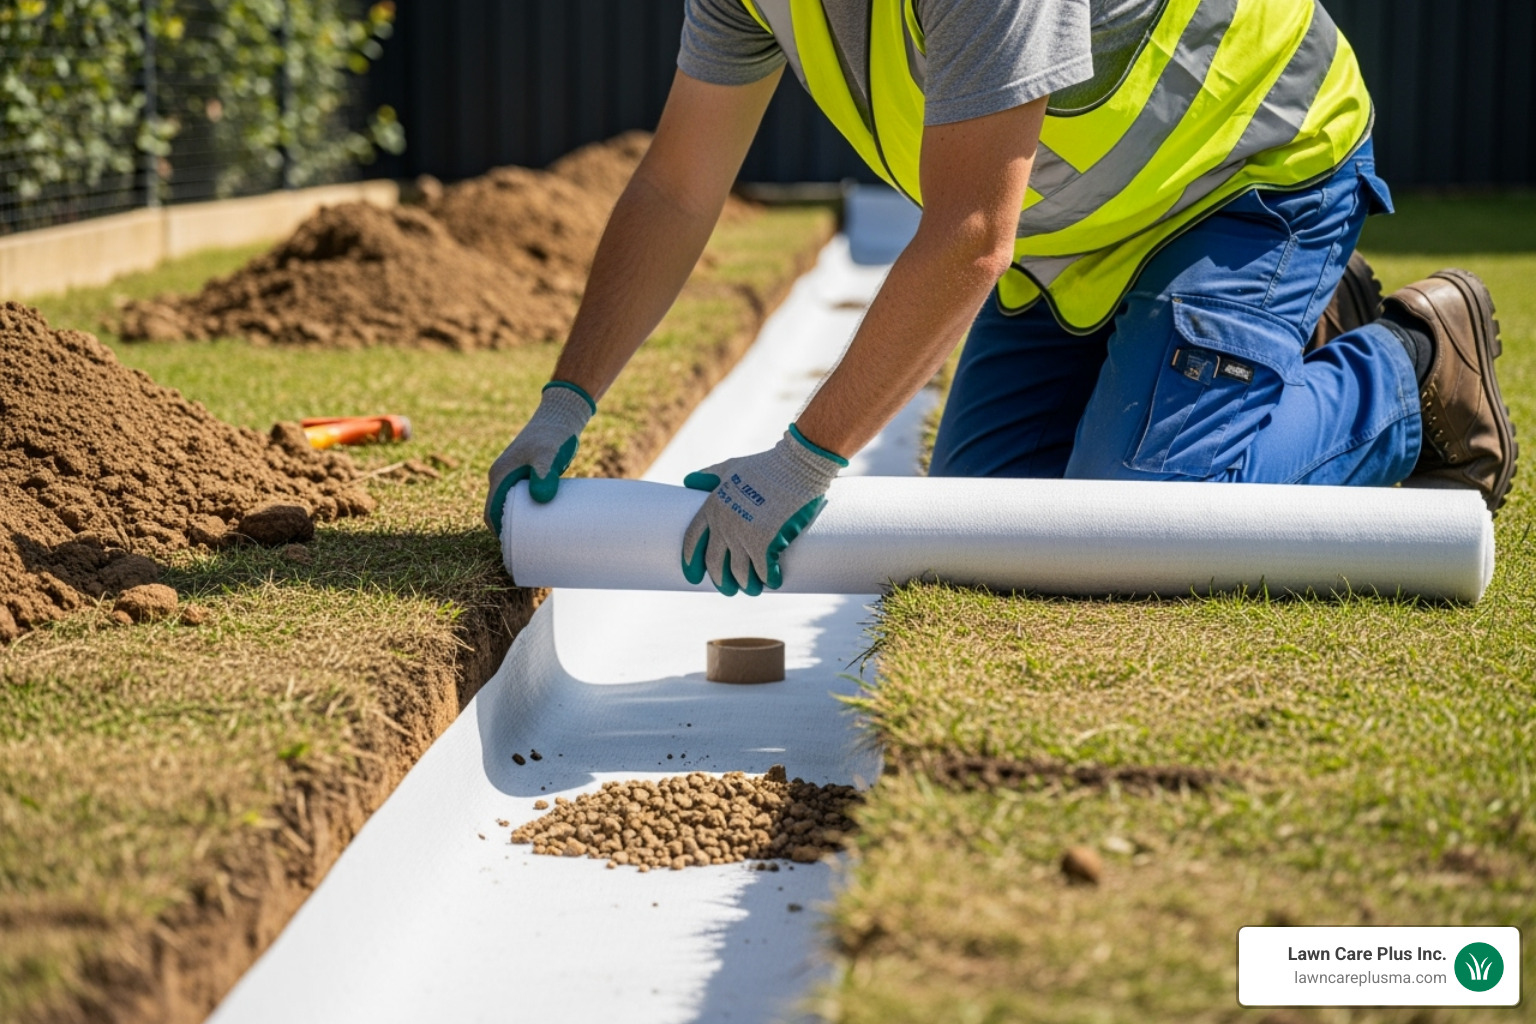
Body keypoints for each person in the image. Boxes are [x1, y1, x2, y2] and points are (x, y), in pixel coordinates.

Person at [486, 0, 1518, 597]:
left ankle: (1407, 366)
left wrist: (803, 458)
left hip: (1246, 177)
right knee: (989, 526)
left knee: (1134, 521)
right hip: (1073, 236)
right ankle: (1240, 350)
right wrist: (565, 402)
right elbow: (677, 185)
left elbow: (972, 233)